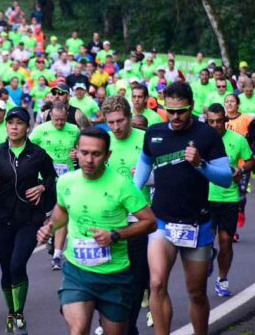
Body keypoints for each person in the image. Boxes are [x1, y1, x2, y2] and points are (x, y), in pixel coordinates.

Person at [133, 81, 232, 335]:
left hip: (197, 225)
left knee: (196, 292)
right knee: (156, 284)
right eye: (170, 111)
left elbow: (225, 177)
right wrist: (128, 204)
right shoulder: (154, 133)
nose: (175, 117)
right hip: (162, 222)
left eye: (181, 111)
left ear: (192, 107)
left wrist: (201, 164)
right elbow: (140, 175)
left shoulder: (206, 135)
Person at [37, 127, 156, 335]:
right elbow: (63, 209)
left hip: (114, 275)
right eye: (84, 153)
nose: (89, 160)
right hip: (77, 272)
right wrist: (50, 227)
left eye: (96, 154)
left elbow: (150, 222)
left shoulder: (122, 186)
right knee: (79, 329)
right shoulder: (67, 182)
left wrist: (115, 236)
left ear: (107, 155)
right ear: (76, 151)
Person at [0, 107, 58, 334]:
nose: (14, 127)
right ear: (6, 126)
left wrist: (42, 186)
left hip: (30, 218)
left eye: (19, 123)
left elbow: (52, 177)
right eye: (10, 123)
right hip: (2, 219)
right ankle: (11, 313)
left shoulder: (37, 154)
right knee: (7, 271)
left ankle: (19, 315)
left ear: (27, 127)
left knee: (17, 264)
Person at [102, 95, 152, 335]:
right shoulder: (104, 143)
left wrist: (148, 177)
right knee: (110, 280)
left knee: (137, 279)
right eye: (110, 122)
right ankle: (114, 326)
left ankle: (128, 326)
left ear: (130, 117)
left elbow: (164, 175)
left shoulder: (146, 140)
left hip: (141, 221)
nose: (116, 127)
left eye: (120, 121)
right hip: (110, 221)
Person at [205, 103, 254, 297]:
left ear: (226, 119)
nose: (216, 125)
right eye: (211, 122)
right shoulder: (201, 140)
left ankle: (222, 279)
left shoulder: (238, 140)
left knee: (225, 241)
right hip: (205, 198)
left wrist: (240, 170)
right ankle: (207, 257)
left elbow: (250, 161)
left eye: (219, 121)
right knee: (206, 242)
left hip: (229, 198)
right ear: (207, 122)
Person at [29, 103, 80, 271]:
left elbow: (83, 148)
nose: (59, 123)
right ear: (50, 115)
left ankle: (57, 255)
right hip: (45, 180)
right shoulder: (41, 130)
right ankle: (51, 232)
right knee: (48, 216)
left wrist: (77, 153)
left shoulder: (74, 130)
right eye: (57, 120)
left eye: (63, 120)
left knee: (63, 213)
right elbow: (28, 147)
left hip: (67, 179)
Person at [223, 93, 255, 241]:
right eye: (227, 102)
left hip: (242, 164)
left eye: (232, 101)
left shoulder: (247, 119)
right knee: (225, 198)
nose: (229, 104)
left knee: (240, 196)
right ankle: (230, 230)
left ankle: (240, 210)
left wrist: (247, 138)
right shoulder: (220, 120)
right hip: (223, 164)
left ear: (238, 104)